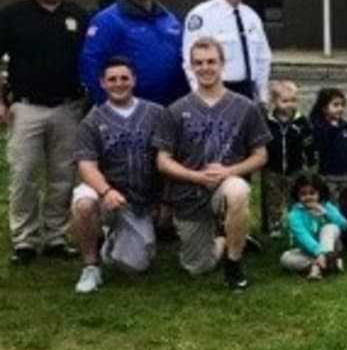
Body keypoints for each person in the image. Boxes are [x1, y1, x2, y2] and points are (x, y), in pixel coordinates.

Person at [155, 37, 269, 289]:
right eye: (199, 63)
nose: (205, 68)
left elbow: (261, 155)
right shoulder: (175, 110)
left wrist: (229, 171)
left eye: (211, 62)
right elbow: (163, 161)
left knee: (238, 190)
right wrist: (195, 176)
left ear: (222, 64)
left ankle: (234, 264)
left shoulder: (245, 107)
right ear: (191, 66)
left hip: (224, 184)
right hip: (189, 192)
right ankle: (225, 239)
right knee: (197, 267)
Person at [0, 0, 89, 263]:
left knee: (63, 177)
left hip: (68, 109)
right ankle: (24, 239)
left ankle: (55, 236)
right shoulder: (12, 15)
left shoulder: (78, 16)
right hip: (26, 109)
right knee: (23, 175)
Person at [70, 57, 168, 293]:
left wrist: (165, 200)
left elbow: (167, 159)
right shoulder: (92, 121)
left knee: (135, 266)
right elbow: (86, 166)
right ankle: (91, 267)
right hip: (105, 193)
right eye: (112, 79)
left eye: (124, 78)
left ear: (134, 80)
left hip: (139, 202)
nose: (118, 83)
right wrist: (106, 191)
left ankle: (110, 238)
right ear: (102, 83)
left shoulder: (156, 113)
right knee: (84, 204)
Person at [78, 0, 187, 107]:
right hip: (128, 108)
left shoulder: (169, 19)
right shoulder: (107, 20)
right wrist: (107, 105)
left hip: (170, 106)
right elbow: (90, 64)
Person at [181, 0, 271, 102]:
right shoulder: (201, 15)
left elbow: (263, 59)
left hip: (248, 92)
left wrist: (262, 96)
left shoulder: (251, 16)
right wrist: (201, 97)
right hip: (218, 92)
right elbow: (189, 60)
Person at [263, 80, 315, 239]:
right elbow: (262, 144)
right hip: (273, 168)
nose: (289, 104)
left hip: (296, 168)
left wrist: (311, 159)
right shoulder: (268, 122)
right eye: (284, 101)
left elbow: (309, 143)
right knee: (273, 198)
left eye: (293, 100)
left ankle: (296, 224)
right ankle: (275, 225)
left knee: (295, 197)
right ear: (274, 102)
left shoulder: (301, 122)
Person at [281, 173, 347, 281]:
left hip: (332, 248)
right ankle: (320, 265)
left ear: (320, 193)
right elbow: (303, 237)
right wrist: (319, 252)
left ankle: (323, 262)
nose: (308, 197)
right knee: (285, 258)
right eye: (303, 194)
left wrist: (326, 213)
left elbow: (344, 225)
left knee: (330, 227)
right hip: (309, 250)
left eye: (312, 193)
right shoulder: (294, 215)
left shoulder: (326, 206)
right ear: (297, 195)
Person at [309, 87, 347, 200]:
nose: (340, 108)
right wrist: (332, 128)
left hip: (346, 174)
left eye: (342, 105)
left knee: (345, 201)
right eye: (335, 105)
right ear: (324, 108)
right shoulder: (319, 128)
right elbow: (319, 147)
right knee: (330, 202)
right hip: (327, 175)